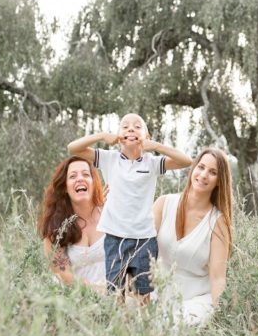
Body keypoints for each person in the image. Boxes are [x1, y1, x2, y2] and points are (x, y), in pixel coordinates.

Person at [67, 113, 192, 303]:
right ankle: (121, 329)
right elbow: (73, 148)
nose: (131, 129)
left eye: (137, 126)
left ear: (146, 136)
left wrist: (156, 146)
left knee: (143, 295)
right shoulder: (109, 158)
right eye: (125, 126)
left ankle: (145, 329)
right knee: (117, 293)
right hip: (115, 238)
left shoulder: (152, 163)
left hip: (144, 238)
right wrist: (101, 135)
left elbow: (186, 161)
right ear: (118, 136)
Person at [152, 148, 234, 326]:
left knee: (173, 327)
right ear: (193, 169)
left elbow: (217, 278)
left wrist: (222, 318)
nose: (204, 175)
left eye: (213, 172)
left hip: (195, 300)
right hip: (157, 291)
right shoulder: (163, 204)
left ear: (219, 181)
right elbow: (141, 250)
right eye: (201, 167)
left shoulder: (218, 222)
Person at [37, 156, 107, 290]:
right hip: (77, 301)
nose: (80, 178)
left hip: (118, 298)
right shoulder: (56, 228)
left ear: (93, 183)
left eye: (86, 174)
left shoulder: (110, 215)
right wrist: (99, 291)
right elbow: (63, 274)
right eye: (73, 176)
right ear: (65, 188)